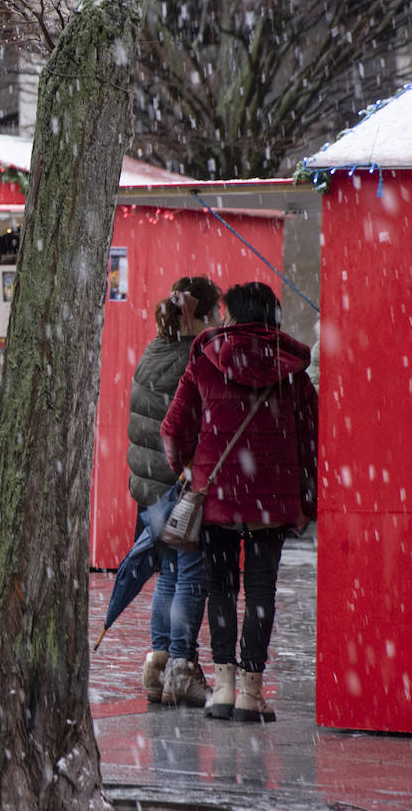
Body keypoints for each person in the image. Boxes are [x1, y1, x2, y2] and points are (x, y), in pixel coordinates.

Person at [161, 282, 318, 723]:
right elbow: (311, 441)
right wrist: (309, 496)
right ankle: (252, 692)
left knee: (221, 588)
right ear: (273, 318)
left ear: (231, 315)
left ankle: (225, 688)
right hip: (273, 494)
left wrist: (186, 465)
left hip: (217, 496)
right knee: (262, 589)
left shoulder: (205, 361)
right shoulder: (294, 372)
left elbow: (174, 428)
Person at [127, 276, 221, 707]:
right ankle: (182, 667)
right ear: (201, 311)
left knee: (167, 574)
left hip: (149, 490)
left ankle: (159, 664)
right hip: (179, 487)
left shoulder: (152, 350)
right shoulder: (195, 356)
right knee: (190, 574)